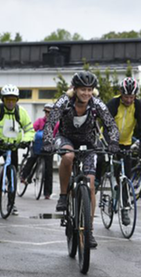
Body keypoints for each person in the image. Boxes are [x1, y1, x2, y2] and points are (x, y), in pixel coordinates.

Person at [43, 71, 120, 248]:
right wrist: (47, 141)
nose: (86, 93)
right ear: (75, 89)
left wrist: (114, 141)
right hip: (66, 139)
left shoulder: (96, 104)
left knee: (91, 185)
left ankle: (89, 231)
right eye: (82, 90)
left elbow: (110, 123)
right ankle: (63, 196)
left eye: (89, 90)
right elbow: (50, 122)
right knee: (68, 156)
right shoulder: (65, 101)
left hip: (88, 143)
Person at [0, 84, 35, 211]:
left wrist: (25, 141)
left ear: (17, 101)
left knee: (12, 175)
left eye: (13, 100)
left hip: (12, 146)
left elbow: (29, 130)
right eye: (8, 99)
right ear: (3, 100)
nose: (10, 102)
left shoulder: (21, 112)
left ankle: (11, 203)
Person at [105, 77, 141, 224]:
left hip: (126, 143)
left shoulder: (138, 106)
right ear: (120, 94)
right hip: (110, 140)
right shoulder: (113, 103)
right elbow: (106, 124)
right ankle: (99, 180)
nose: (129, 100)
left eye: (131, 97)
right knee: (105, 165)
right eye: (126, 97)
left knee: (125, 177)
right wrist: (110, 143)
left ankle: (124, 209)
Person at [20, 102, 56, 199]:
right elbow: (32, 130)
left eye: (50, 112)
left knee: (49, 170)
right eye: (46, 112)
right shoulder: (40, 121)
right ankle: (24, 176)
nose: (48, 114)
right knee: (32, 158)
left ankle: (47, 193)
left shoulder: (56, 124)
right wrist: (30, 138)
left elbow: (58, 134)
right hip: (38, 146)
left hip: (49, 149)